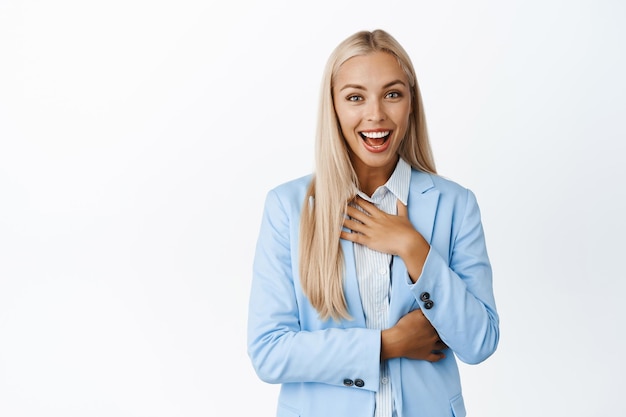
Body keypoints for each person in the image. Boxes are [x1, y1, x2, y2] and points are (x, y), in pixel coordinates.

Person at [247, 29, 499, 417]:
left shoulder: (455, 205)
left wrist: (414, 248)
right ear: (333, 107)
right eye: (355, 97)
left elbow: (479, 341)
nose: (376, 114)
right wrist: (388, 344)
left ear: (411, 102)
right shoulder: (288, 207)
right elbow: (269, 352)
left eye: (392, 94)